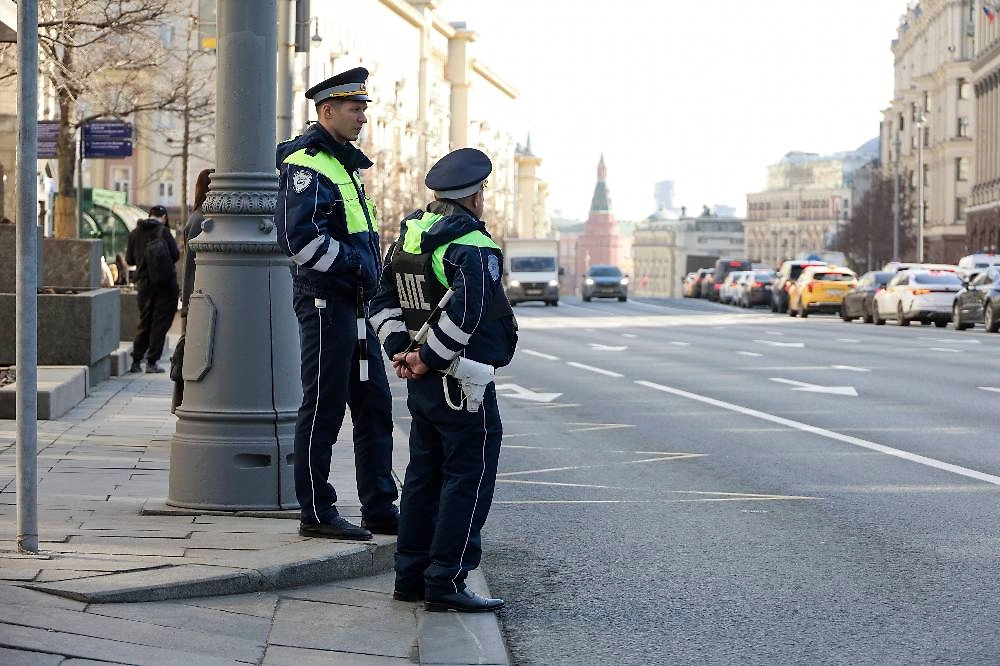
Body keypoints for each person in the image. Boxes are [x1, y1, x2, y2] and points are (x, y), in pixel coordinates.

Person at [369, 147, 518, 613]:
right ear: (474, 198)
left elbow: (380, 297)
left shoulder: (411, 235)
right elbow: (469, 314)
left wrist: (402, 352)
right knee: (466, 479)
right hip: (462, 381)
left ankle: (409, 576)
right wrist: (430, 359)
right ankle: (447, 580)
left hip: (424, 379)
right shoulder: (472, 245)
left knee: (422, 476)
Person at [274, 67, 398, 541]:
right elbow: (301, 241)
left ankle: (379, 507)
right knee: (324, 406)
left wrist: (369, 273)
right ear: (327, 110)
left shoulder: (344, 162)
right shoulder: (307, 162)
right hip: (326, 303)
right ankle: (317, 512)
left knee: (374, 406)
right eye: (355, 108)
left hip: (355, 304)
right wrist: (358, 266)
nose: (363, 116)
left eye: (364, 107)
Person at [171, 168, 214, 412]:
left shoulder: (197, 216)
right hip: (195, 296)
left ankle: (183, 402)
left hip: (192, 296)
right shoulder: (202, 220)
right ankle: (183, 403)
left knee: (189, 351)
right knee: (189, 353)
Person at [125, 204, 179, 374]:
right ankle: (152, 362)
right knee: (160, 323)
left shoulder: (135, 233)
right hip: (164, 285)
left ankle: (136, 361)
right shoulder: (163, 231)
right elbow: (175, 255)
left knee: (145, 321)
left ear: (149, 215)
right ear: (163, 218)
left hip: (144, 285)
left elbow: (130, 260)